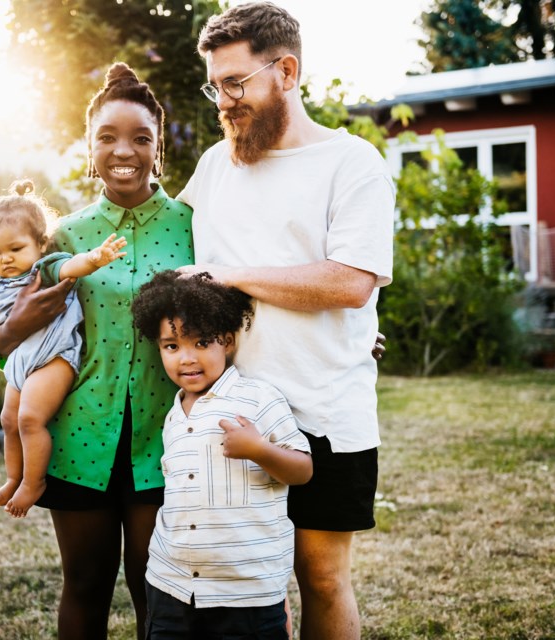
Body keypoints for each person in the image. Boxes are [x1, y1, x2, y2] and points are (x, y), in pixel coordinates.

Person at [177, 3, 396, 639]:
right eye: (214, 85)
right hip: (233, 416)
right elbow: (167, 253)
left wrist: (233, 276)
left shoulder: (351, 163)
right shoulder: (216, 167)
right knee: (245, 579)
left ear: (288, 70)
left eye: (236, 83)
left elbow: (351, 281)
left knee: (322, 577)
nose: (223, 100)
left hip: (326, 411)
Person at [0, 64, 194, 640]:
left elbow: (243, 303)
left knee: (158, 588)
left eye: (140, 138)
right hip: (79, 438)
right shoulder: (67, 236)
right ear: (89, 146)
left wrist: (347, 335)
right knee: (84, 583)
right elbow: (12, 328)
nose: (122, 150)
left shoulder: (194, 225)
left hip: (168, 438)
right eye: (107, 137)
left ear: (157, 149)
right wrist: (0, 345)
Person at [130, 270, 312, 639]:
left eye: (202, 343)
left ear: (227, 342)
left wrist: (259, 449)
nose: (186, 358)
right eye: (172, 346)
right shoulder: (173, 415)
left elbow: (303, 469)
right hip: (173, 585)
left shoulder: (258, 398)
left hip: (246, 593)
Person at [0, 180, 128, 517]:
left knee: (30, 419)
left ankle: (34, 482)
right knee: (8, 420)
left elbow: (70, 268)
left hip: (54, 358)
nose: (6, 259)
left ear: (40, 244)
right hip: (20, 362)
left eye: (15, 249)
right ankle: (13, 476)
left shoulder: (43, 269)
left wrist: (94, 258)